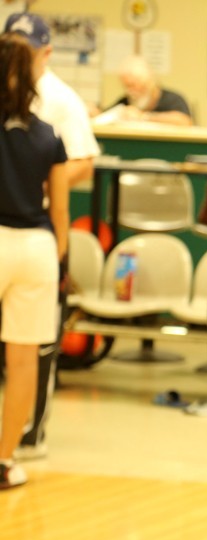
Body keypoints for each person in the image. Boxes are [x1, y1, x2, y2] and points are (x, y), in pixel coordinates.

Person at [3, 11, 101, 461]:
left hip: (30, 231)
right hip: (36, 239)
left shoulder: (62, 102)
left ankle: (25, 436)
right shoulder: (42, 134)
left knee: (31, 352)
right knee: (24, 351)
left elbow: (81, 162)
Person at [0, 32, 69, 489]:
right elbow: (60, 210)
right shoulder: (49, 136)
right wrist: (58, 259)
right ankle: (4, 461)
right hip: (37, 248)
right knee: (25, 360)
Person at [97, 55, 193, 126]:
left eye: (133, 85)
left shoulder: (173, 99)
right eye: (126, 86)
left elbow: (183, 121)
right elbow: (104, 115)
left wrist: (143, 116)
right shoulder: (126, 101)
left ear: (148, 82)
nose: (129, 91)